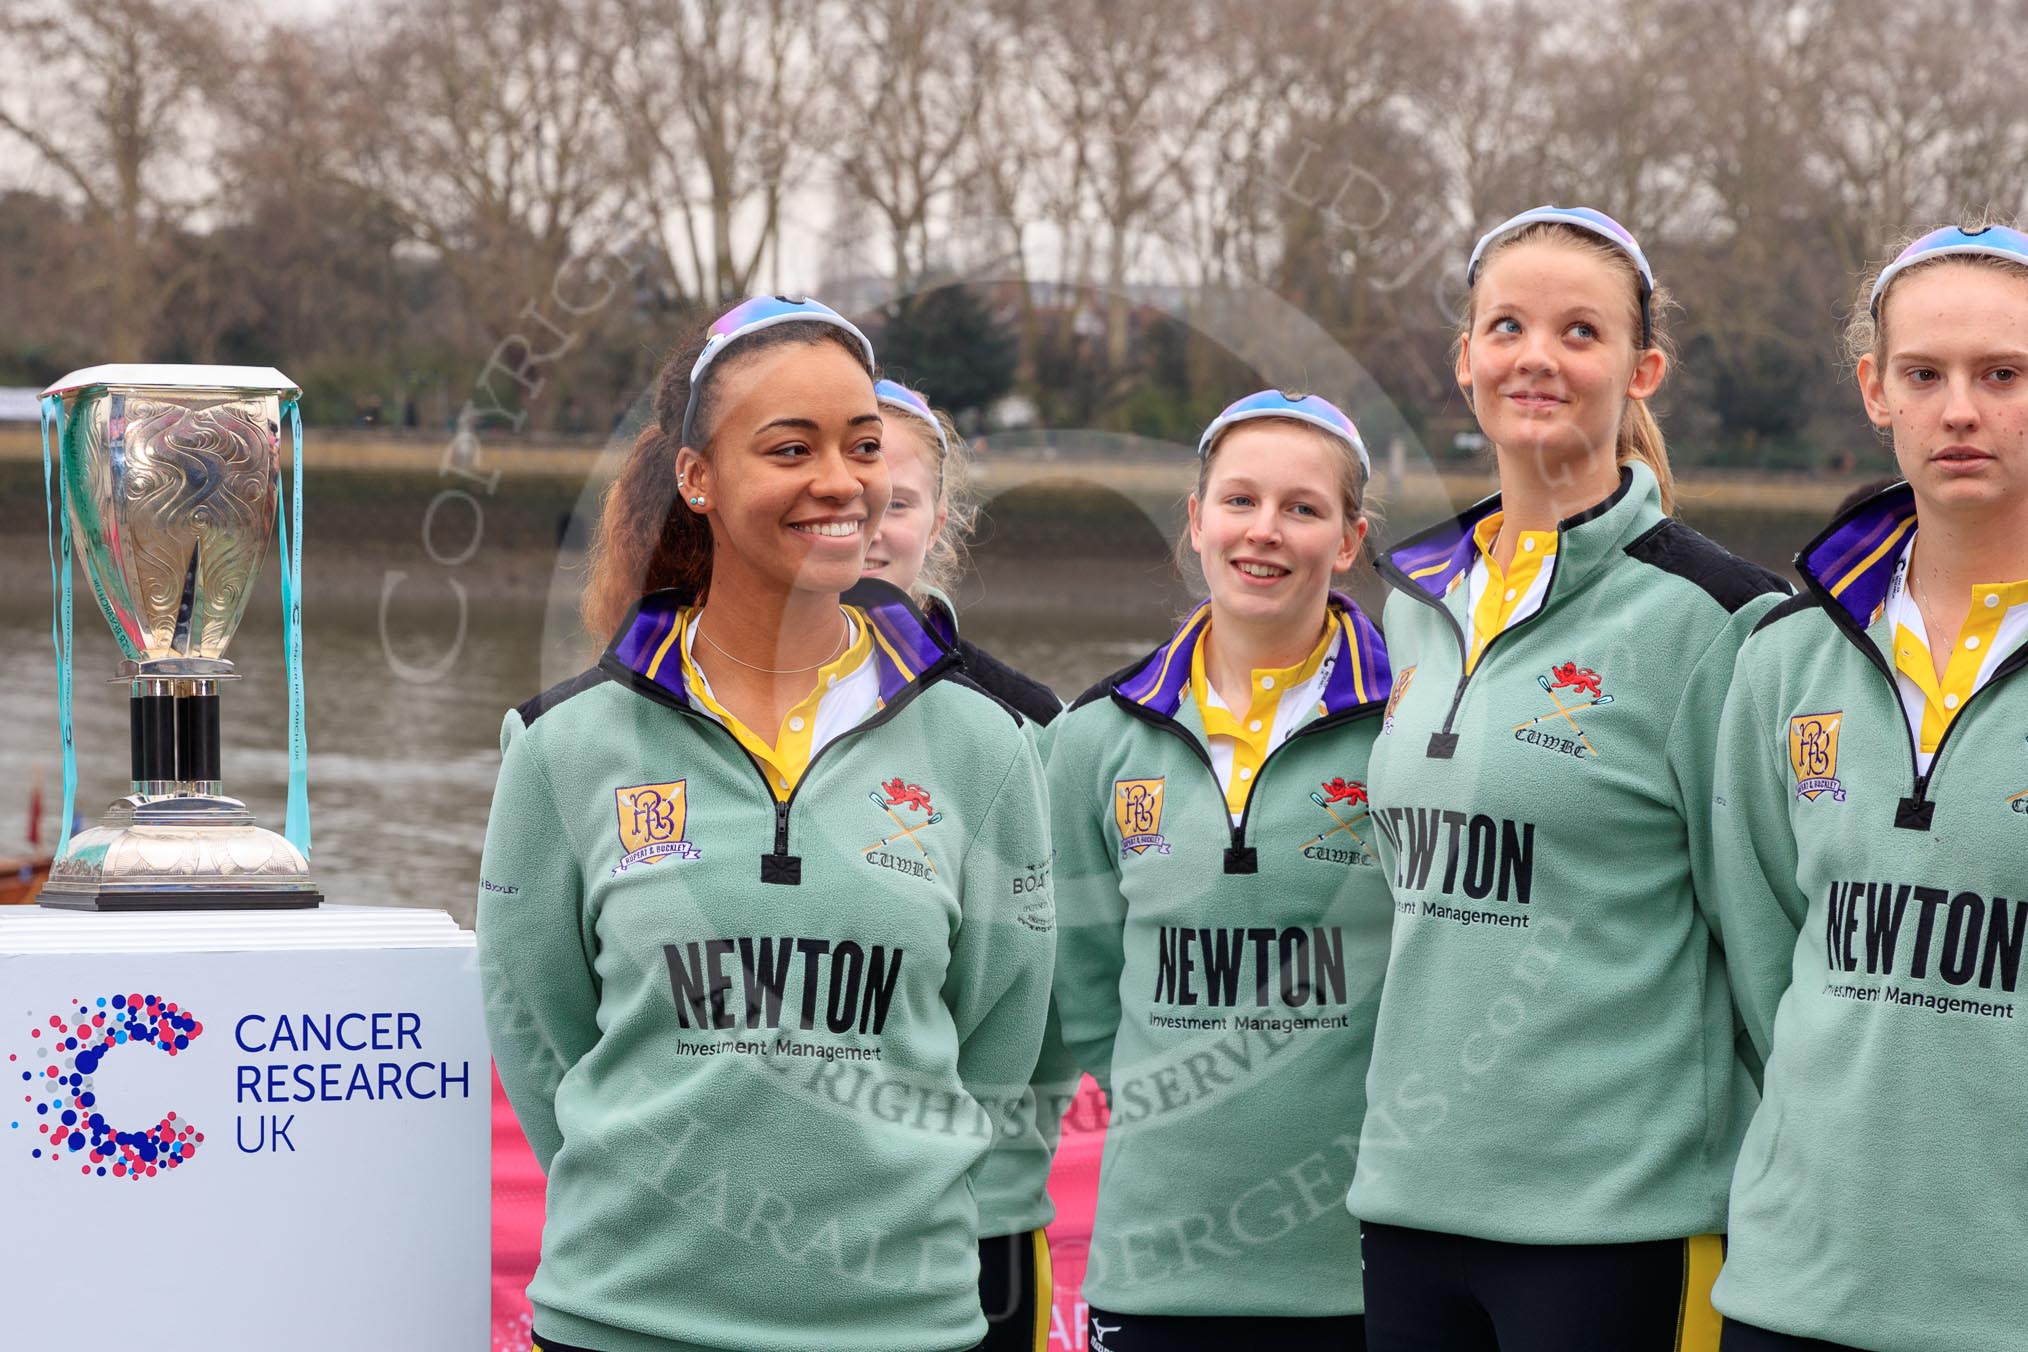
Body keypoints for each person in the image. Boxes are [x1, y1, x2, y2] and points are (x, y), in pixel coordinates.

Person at [478, 296, 1055, 1352]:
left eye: (863, 444)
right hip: (622, 1317)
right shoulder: (562, 746)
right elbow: (540, 1032)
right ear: (696, 476)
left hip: (899, 1322)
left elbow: (995, 1039)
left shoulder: (986, 746)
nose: (841, 481)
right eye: (791, 447)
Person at [1347, 206, 1791, 1351]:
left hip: (1621, 1220)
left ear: (1641, 369)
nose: (1536, 356)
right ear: (1465, 360)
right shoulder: (1415, 603)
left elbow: (1766, 943)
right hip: (1408, 1206)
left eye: (1579, 331)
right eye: (1507, 325)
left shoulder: (1724, 620)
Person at [1710, 223, 2028, 1352]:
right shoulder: (1782, 657)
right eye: (1925, 374)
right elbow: (1763, 951)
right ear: (1873, 388)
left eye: (2004, 374)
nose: (1961, 410)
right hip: (1795, 1290)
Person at [1049, 391, 1392, 1350]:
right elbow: (1083, 1001)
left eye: (1303, 508)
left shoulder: (1414, 729)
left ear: (1350, 538)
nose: (1265, 533)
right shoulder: (1093, 741)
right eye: (1239, 502)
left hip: (1362, 1272)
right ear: (1195, 521)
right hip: (1155, 1267)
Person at [861, 376, 1073, 1352]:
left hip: (973, 1210)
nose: (867, 526)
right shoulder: (673, 702)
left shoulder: (1029, 726)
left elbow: (1034, 1000)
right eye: (844, 498)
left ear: (941, 518)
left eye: (896, 503)